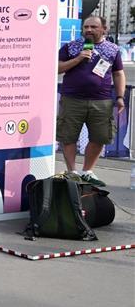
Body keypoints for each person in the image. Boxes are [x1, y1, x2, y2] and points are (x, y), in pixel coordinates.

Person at [56, 15, 126, 185]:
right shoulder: (71, 47)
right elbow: (56, 68)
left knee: (100, 137)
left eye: (93, 27)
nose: (88, 30)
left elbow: (118, 73)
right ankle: (72, 172)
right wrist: (78, 58)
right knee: (68, 137)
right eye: (86, 27)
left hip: (101, 101)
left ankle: (87, 171)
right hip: (72, 99)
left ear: (104, 29)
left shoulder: (113, 49)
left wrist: (120, 96)